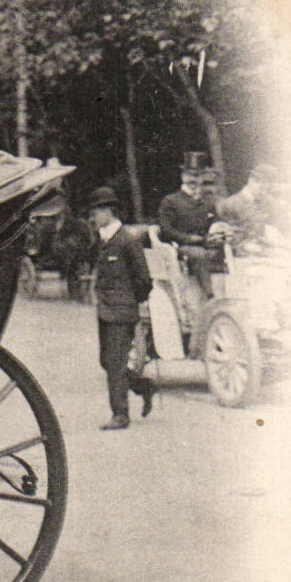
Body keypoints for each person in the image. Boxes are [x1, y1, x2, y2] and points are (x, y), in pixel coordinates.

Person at [88, 187, 156, 429]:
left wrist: (129, 301)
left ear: (108, 212)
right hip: (105, 310)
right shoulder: (103, 239)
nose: (93, 217)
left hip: (122, 311)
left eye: (96, 211)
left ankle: (120, 414)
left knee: (115, 363)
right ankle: (144, 386)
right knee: (107, 361)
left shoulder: (128, 241)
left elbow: (144, 280)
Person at [157, 152, 221, 297]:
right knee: (199, 255)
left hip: (207, 245)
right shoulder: (171, 201)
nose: (195, 179)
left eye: (198, 175)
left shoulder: (207, 202)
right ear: (183, 176)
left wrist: (216, 237)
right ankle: (211, 296)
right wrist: (189, 239)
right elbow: (166, 230)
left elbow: (215, 223)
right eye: (191, 175)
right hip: (182, 248)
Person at [214, 163, 287, 253]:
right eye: (262, 186)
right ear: (251, 181)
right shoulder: (231, 204)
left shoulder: (268, 202)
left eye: (267, 188)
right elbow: (223, 238)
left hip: (264, 251)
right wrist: (243, 246)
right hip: (239, 255)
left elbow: (276, 227)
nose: (263, 191)